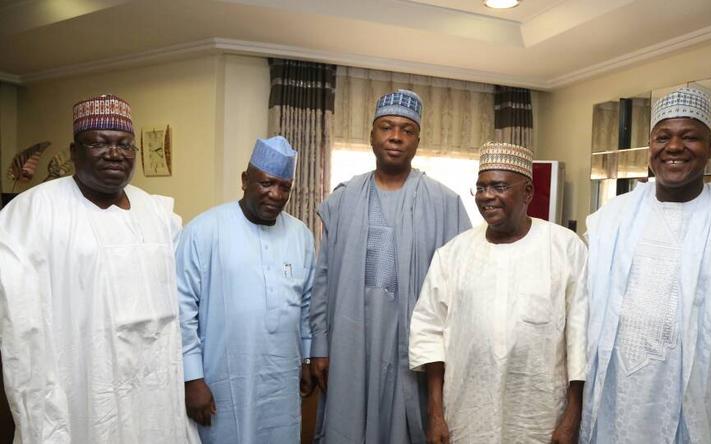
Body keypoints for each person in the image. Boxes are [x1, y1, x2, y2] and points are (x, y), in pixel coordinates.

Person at [580, 87, 711, 443]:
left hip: (704, 409)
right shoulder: (611, 219)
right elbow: (582, 312)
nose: (674, 147)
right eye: (663, 136)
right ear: (650, 148)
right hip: (615, 403)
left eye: (690, 136)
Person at [0, 94, 197, 443]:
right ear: (74, 152)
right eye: (99, 143)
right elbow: (17, 313)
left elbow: (182, 303)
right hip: (80, 383)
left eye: (124, 144)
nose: (114, 153)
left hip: (151, 388)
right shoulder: (33, 212)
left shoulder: (157, 215)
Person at [310, 89, 471, 443]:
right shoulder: (342, 200)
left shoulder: (444, 203)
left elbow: (462, 287)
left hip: (412, 346)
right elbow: (321, 281)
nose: (395, 136)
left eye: (406, 129)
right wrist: (318, 346)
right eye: (386, 127)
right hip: (352, 339)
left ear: (417, 139)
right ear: (372, 134)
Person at [409, 142, 588, 443]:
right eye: (480, 188)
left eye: (499, 186)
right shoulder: (453, 253)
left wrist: (571, 418)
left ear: (528, 192)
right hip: (468, 413)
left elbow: (581, 338)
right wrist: (435, 414)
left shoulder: (565, 248)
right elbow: (429, 333)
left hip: (539, 418)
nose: (487, 196)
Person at [177, 136, 315, 443]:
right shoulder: (203, 230)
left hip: (282, 379)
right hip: (222, 378)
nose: (276, 194)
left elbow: (307, 304)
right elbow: (181, 309)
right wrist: (192, 378)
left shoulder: (301, 235)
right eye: (266, 183)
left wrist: (307, 358)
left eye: (285, 187)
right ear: (244, 180)